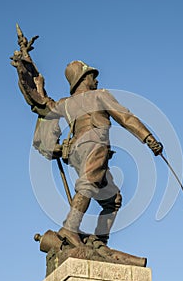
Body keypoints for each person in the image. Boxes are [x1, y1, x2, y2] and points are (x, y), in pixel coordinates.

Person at [14, 58, 163, 247]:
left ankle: (100, 242)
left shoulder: (65, 103)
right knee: (88, 184)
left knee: (113, 200)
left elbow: (44, 105)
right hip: (95, 143)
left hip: (75, 152)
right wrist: (149, 139)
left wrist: (37, 84)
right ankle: (70, 228)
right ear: (83, 78)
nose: (97, 80)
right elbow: (125, 118)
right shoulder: (99, 95)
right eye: (93, 76)